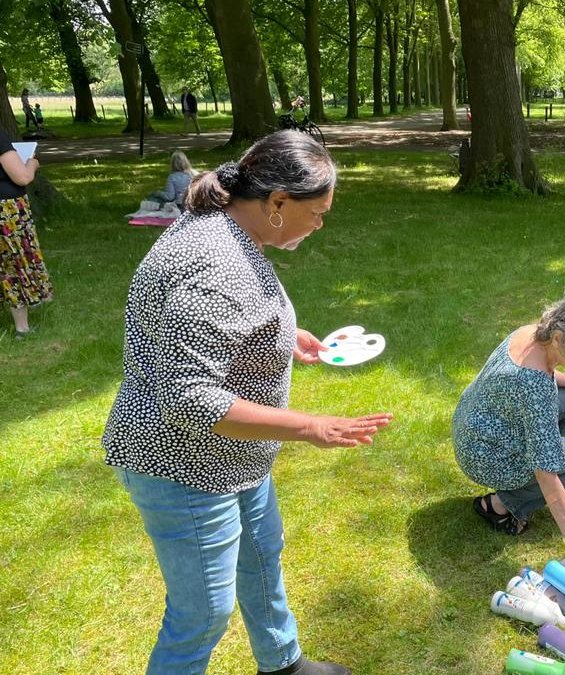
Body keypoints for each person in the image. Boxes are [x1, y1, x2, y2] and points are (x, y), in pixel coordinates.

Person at [103, 130, 393, 675]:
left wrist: (283, 334)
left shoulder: (231, 226)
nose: (321, 223)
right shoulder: (214, 264)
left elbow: (218, 325)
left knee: (261, 558)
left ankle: (282, 664)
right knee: (204, 612)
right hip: (181, 462)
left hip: (239, 453)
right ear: (278, 202)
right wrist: (310, 426)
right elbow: (192, 399)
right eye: (319, 211)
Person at [452, 289, 565, 584]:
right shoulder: (534, 388)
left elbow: (547, 375)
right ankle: (503, 505)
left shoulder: (530, 333)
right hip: (487, 456)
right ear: (558, 338)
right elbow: (546, 473)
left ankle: (538, 485)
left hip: (474, 428)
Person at [0, 130, 52, 338]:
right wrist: (32, 163)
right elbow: (22, 177)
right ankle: (22, 328)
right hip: (7, 212)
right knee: (12, 265)